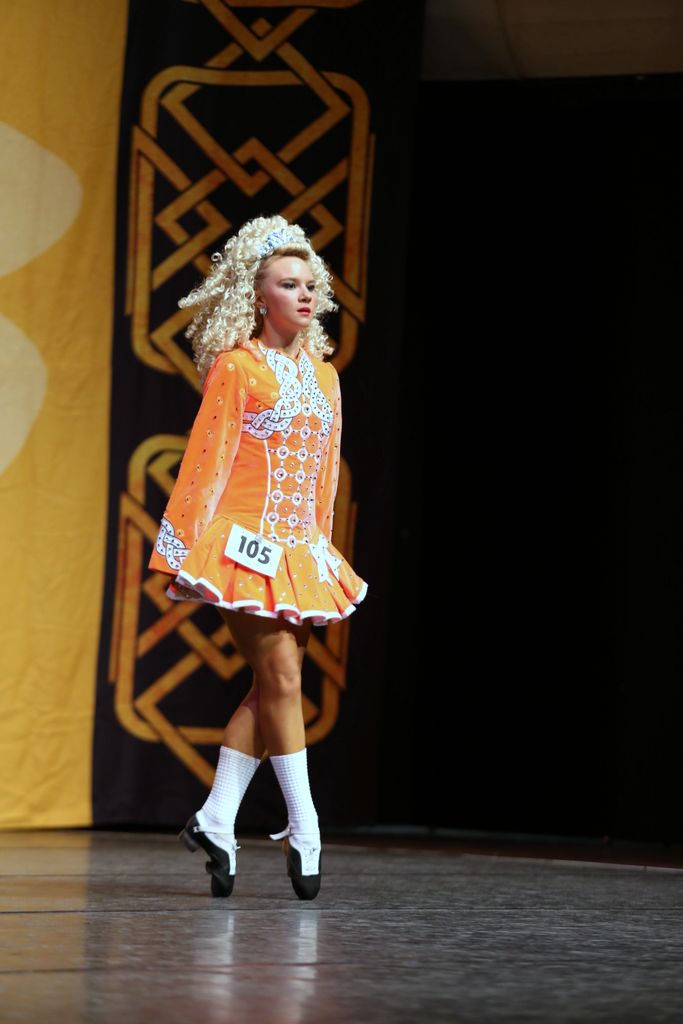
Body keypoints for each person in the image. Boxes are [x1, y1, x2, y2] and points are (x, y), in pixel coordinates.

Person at [147, 214, 369, 900]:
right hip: (241, 544)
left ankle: (217, 819)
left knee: (271, 687)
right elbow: (205, 461)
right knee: (282, 676)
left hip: (298, 551)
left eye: (310, 284)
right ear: (258, 295)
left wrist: (320, 551)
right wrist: (178, 551)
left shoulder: (325, 377)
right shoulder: (237, 367)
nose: (304, 295)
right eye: (288, 284)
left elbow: (325, 478)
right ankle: (306, 827)